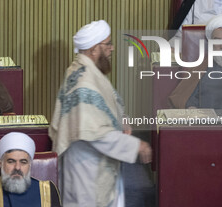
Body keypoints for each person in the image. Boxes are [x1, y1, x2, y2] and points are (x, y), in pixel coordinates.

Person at [49, 20, 152, 207]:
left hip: (95, 165)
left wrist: (123, 121)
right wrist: (137, 145)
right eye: (108, 44)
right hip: (87, 171)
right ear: (94, 49)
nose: (111, 49)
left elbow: (108, 100)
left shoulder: (82, 69)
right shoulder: (83, 82)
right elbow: (97, 135)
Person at [0, 132, 62, 207]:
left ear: (30, 164)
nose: (17, 167)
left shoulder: (47, 191)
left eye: (23, 162)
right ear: (1, 163)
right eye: (11, 161)